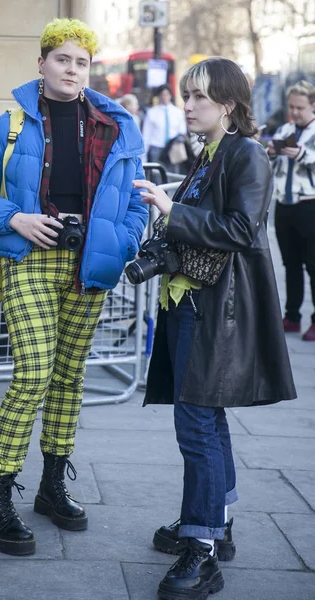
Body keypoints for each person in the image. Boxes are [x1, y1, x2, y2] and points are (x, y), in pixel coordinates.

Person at [0, 18, 148, 556]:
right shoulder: (12, 123)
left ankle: (51, 485)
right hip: (31, 262)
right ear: (41, 63)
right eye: (62, 59)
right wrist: (15, 218)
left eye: (81, 62)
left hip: (91, 265)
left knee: (68, 377)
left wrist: (123, 238)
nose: (72, 70)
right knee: (35, 371)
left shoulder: (115, 125)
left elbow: (134, 201)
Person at [132, 57, 296, 599]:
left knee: (197, 425)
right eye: (187, 96)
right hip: (189, 304)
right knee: (206, 418)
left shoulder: (246, 152)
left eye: (199, 96)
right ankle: (214, 522)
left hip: (216, 311)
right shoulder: (210, 154)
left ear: (227, 104)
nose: (188, 104)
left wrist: (170, 210)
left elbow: (243, 229)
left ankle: (201, 549)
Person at [268, 80, 315, 341]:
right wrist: (272, 151)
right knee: (290, 265)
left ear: (312, 105)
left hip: (310, 205)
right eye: (291, 107)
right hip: (284, 206)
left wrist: (300, 154)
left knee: (313, 266)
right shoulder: (285, 128)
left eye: (300, 107)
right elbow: (273, 162)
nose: (295, 112)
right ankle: (292, 317)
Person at [142, 83, 187, 174]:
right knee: (158, 178)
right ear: (159, 96)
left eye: (167, 94)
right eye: (162, 94)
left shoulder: (177, 112)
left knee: (173, 178)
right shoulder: (152, 112)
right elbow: (146, 135)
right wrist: (143, 157)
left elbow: (182, 131)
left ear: (170, 95)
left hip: (172, 149)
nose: (164, 97)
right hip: (157, 149)